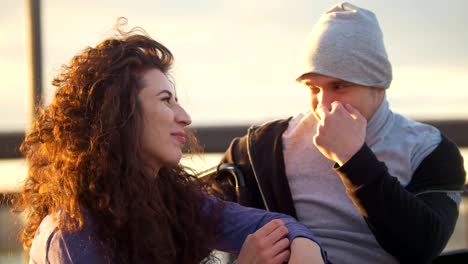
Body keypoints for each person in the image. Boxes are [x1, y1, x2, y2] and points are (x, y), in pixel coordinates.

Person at [13, 19, 327, 264]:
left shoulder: (172, 200)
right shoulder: (70, 235)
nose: (185, 117)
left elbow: (278, 225)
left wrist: (305, 245)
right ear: (119, 115)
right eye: (166, 100)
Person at [218, 2, 466, 263]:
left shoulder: (429, 150)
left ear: (378, 85)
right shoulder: (260, 148)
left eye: (339, 85)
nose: (323, 104)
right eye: (313, 88)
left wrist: (353, 158)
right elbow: (190, 220)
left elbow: (423, 247)